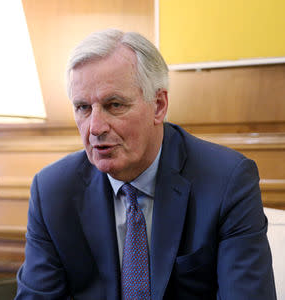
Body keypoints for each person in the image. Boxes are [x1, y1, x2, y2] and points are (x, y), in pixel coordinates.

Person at [15, 29, 276, 299]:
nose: (95, 127)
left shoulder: (226, 180)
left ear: (159, 106)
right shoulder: (52, 191)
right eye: (83, 108)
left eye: (114, 105)